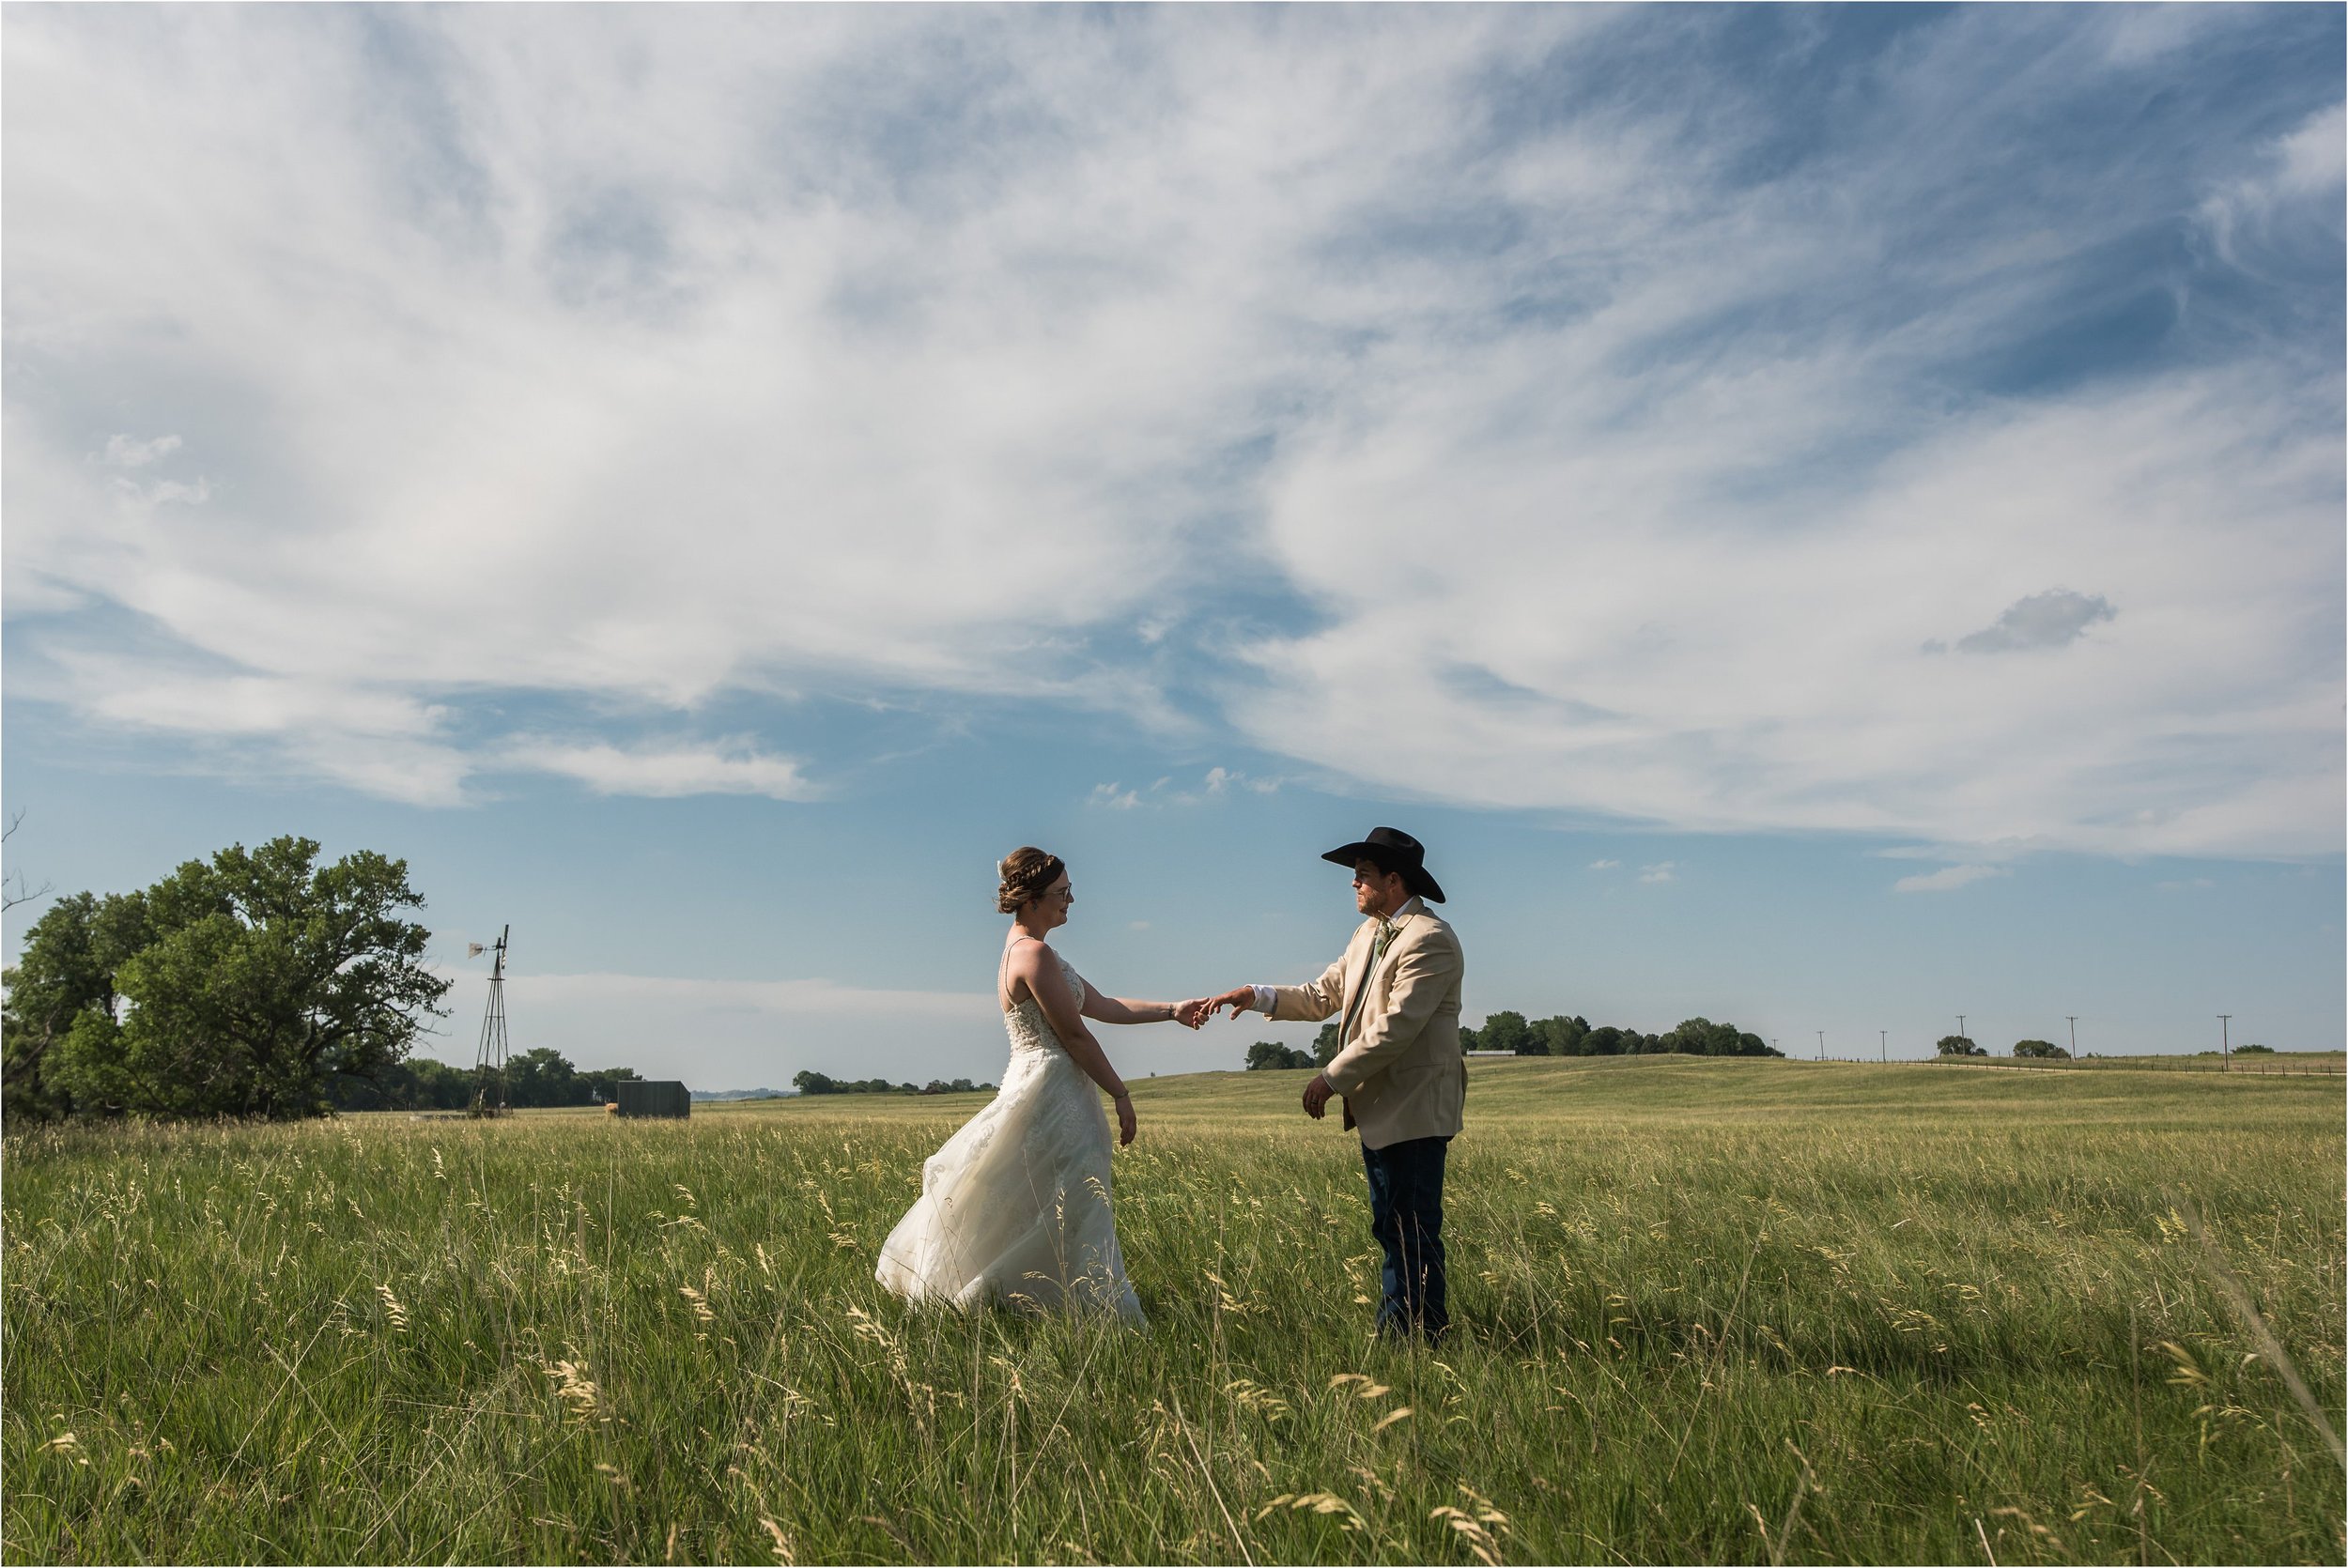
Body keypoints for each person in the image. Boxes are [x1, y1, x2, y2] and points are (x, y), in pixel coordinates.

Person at [875, 847, 1213, 1324]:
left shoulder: (1034, 951)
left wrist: (1172, 1009)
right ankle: (1077, 1307)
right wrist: (1120, 1092)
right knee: (1063, 1199)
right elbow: (1074, 1034)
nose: (1071, 900)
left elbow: (1103, 1005)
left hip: (1053, 1088)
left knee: (1050, 1199)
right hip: (1049, 1091)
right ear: (1032, 899)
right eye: (1062, 893)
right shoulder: (1031, 953)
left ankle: (1048, 1303)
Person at [1205, 827, 1464, 1343]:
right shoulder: (1369, 933)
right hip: (1381, 1108)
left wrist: (1330, 1078)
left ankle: (1418, 1335)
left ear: (1393, 881)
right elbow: (1322, 994)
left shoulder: (1430, 939)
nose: (1353, 884)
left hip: (1413, 1106)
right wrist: (1256, 995)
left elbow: (1395, 1029)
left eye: (1362, 875)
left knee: (1410, 1228)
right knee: (1392, 1225)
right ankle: (1407, 1331)